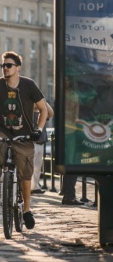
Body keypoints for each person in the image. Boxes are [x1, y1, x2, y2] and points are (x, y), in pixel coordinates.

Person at [0, 51, 48, 230]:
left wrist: (38, 130)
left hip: (25, 133)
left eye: (8, 65)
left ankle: (26, 210)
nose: (5, 69)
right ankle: (3, 181)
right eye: (3, 66)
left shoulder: (29, 85)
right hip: (3, 129)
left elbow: (43, 109)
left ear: (18, 68)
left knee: (25, 173)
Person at [61, 76, 84, 205]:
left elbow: (76, 115)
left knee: (70, 163)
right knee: (70, 163)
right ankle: (68, 195)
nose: (66, 81)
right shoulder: (64, 94)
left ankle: (68, 193)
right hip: (66, 131)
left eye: (68, 79)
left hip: (71, 131)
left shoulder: (74, 96)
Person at [31, 100, 54, 195]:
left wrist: (43, 101)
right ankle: (28, 186)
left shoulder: (42, 113)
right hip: (31, 142)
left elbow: (51, 113)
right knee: (30, 166)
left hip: (40, 142)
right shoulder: (28, 113)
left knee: (37, 167)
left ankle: (34, 186)